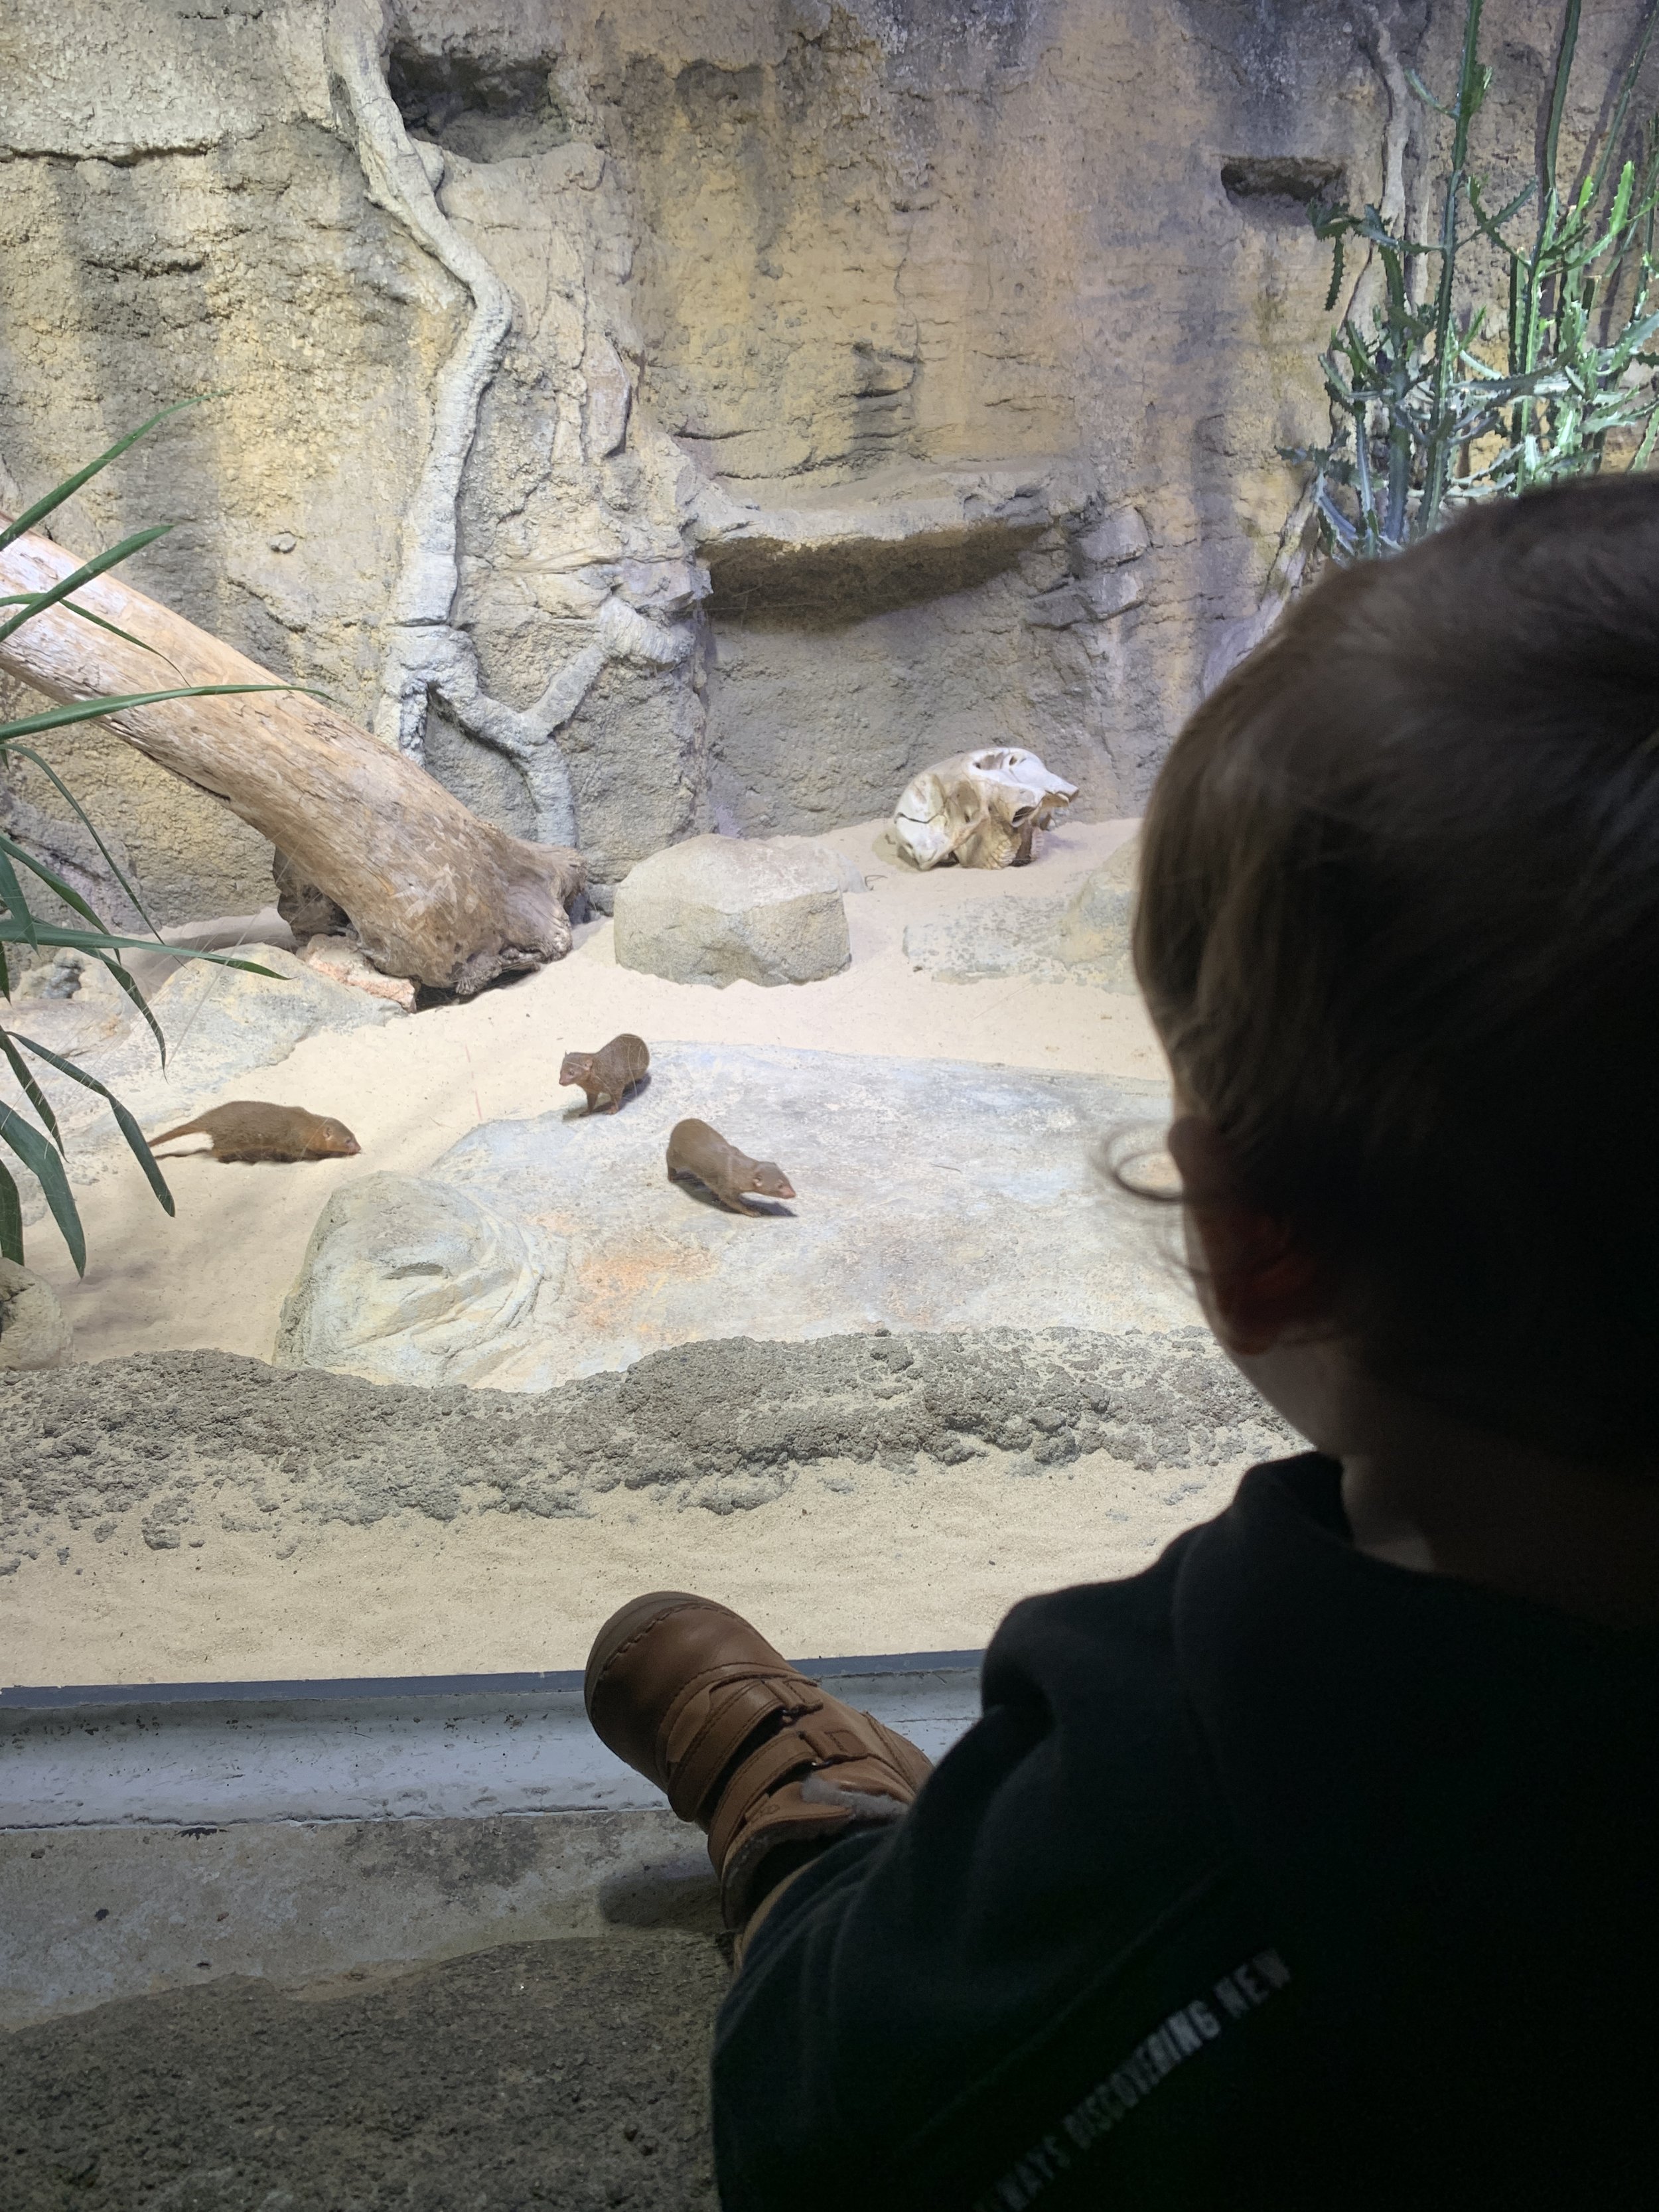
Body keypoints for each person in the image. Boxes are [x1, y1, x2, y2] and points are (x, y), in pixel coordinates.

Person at [585, 480, 1659, 2208]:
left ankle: (809, 1828)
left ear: (1246, 1244)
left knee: (848, 1940)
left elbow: (814, 2135)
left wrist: (833, 1947)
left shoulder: (1194, 1775)